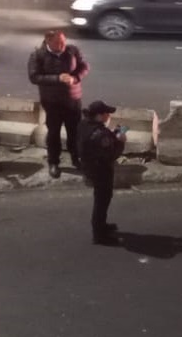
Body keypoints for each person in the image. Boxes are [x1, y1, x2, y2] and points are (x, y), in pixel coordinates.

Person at [28, 30, 89, 178]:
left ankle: (76, 158)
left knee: (74, 132)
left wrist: (75, 78)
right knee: (54, 133)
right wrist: (57, 79)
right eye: (58, 43)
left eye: (63, 42)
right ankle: (54, 162)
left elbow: (84, 66)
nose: (62, 45)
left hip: (73, 99)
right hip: (52, 101)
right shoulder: (38, 55)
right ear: (48, 41)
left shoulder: (72, 50)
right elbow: (34, 77)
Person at [78, 100, 125, 246]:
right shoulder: (100, 134)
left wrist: (112, 135)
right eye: (106, 114)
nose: (108, 116)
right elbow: (112, 154)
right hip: (100, 170)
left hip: (88, 165)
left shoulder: (84, 125)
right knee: (102, 200)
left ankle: (102, 225)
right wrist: (121, 141)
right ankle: (99, 235)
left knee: (101, 198)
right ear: (99, 115)